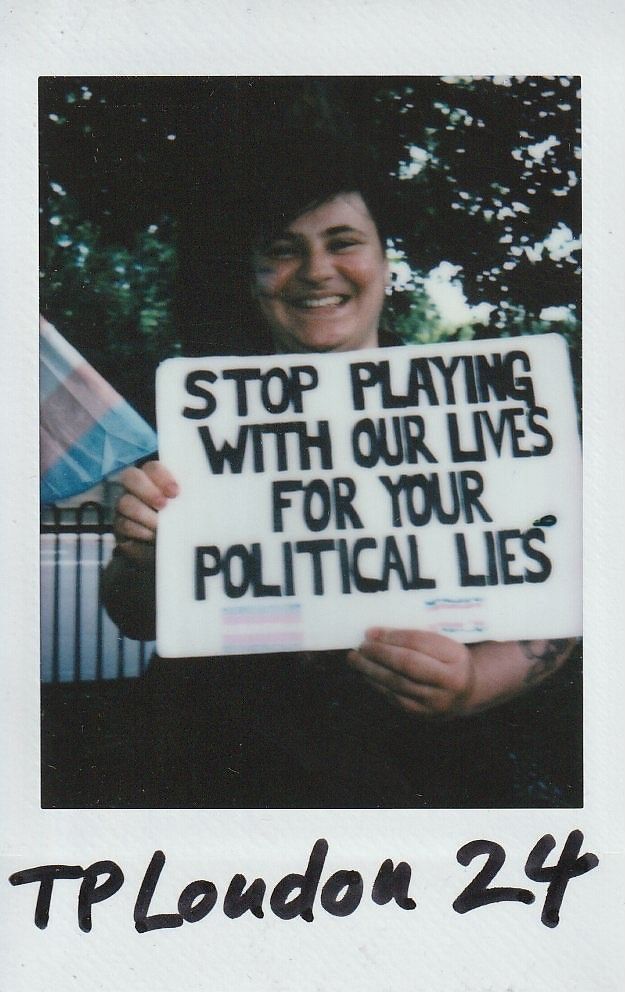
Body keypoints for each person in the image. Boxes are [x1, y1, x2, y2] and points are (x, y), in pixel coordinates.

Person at [102, 133, 578, 807]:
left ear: (385, 261)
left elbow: (551, 600)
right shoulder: (204, 418)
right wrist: (142, 553)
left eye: (342, 241)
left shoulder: (482, 404)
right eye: (282, 249)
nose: (316, 270)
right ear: (253, 275)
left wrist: (476, 683)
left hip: (416, 775)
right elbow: (134, 615)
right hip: (213, 766)